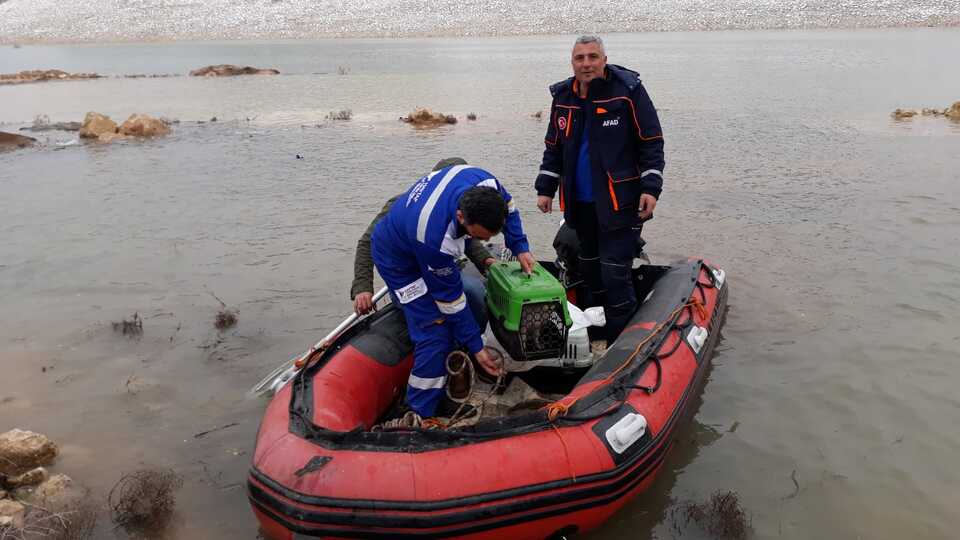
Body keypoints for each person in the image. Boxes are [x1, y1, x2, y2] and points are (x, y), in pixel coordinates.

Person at [372, 164, 534, 418]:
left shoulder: (487, 184)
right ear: (461, 218)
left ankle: (446, 382)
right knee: (434, 331)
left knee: (457, 319)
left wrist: (520, 246)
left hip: (418, 237)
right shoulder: (436, 238)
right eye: (477, 236)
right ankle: (419, 411)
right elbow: (451, 301)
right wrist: (477, 348)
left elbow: (510, 211)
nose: (483, 242)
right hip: (399, 262)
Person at [534, 35, 665, 343]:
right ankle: (595, 337)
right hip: (579, 207)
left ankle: (625, 348)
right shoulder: (563, 96)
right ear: (572, 63)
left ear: (604, 60)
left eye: (593, 57)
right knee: (591, 273)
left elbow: (651, 142)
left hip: (621, 203)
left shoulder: (628, 91)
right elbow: (553, 146)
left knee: (614, 275)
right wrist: (545, 188)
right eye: (580, 58)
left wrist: (651, 187)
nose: (586, 63)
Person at [351, 158, 495, 335]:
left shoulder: (457, 207)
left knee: (475, 292)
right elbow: (367, 242)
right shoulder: (402, 204)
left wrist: (486, 260)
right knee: (465, 296)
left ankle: (476, 338)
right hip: (409, 276)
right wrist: (363, 287)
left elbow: (467, 237)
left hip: (440, 270)